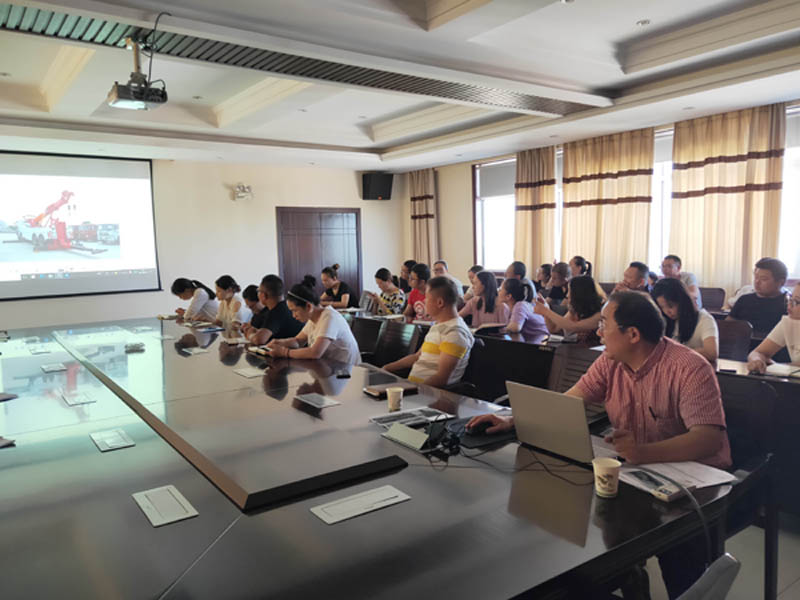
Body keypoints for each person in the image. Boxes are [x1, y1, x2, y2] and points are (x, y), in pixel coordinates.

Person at [469, 291, 731, 599]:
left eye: (604, 323)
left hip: (693, 486)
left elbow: (708, 438)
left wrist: (644, 453)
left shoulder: (689, 368)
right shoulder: (610, 362)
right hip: (635, 476)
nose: (598, 330)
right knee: (575, 531)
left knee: (679, 562)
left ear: (633, 334)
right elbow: (568, 402)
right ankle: (626, 579)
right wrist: (513, 420)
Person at [384, 276, 474, 387]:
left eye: (426, 298)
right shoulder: (437, 326)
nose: (424, 301)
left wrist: (410, 390)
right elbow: (417, 357)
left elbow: (441, 379)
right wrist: (386, 368)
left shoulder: (455, 333)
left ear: (440, 302)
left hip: (428, 394)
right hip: (414, 388)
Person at [267, 275, 360, 365]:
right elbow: (298, 341)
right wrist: (279, 342)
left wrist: (284, 352)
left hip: (348, 370)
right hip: (330, 367)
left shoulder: (329, 317)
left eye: (295, 311)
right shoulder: (313, 319)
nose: (293, 315)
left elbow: (315, 352)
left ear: (308, 306)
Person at [652, 278, 718, 363]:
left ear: (683, 301)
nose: (667, 311)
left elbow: (711, 353)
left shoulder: (704, 319)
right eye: (662, 307)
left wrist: (676, 352)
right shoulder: (665, 319)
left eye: (670, 306)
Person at [534, 275, 603, 345]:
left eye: (570, 291)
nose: (567, 295)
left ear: (580, 293)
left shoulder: (600, 314)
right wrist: (546, 308)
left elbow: (574, 326)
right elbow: (553, 329)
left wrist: (546, 311)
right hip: (572, 348)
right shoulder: (575, 310)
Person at [747, 282, 800, 373]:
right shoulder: (788, 322)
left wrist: (779, 366)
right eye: (790, 298)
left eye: (796, 302)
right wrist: (757, 360)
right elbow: (758, 352)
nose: (789, 304)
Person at [728, 257, 788, 335]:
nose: (757, 282)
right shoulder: (744, 299)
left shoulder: (788, 305)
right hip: (742, 342)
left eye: (763, 279)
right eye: (756, 277)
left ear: (781, 282)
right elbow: (728, 327)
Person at [244, 275, 304, 346]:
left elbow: (259, 340)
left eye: (258, 291)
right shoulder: (284, 305)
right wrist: (257, 331)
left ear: (263, 295)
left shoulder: (277, 311)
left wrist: (250, 334)